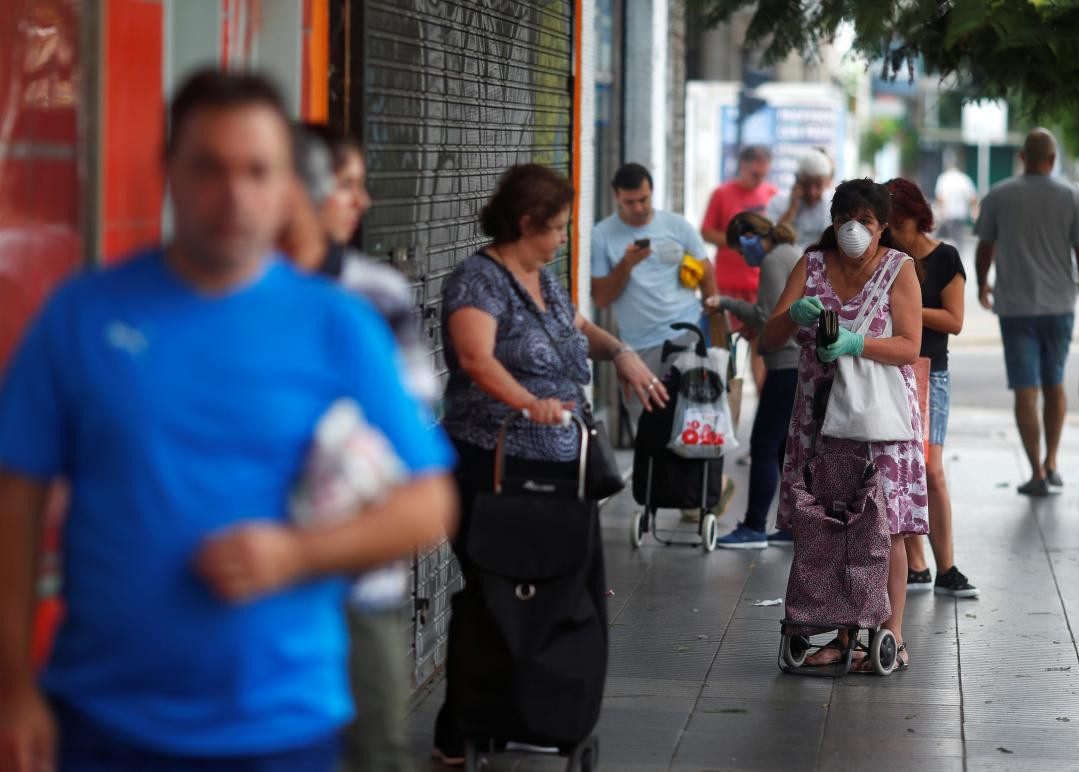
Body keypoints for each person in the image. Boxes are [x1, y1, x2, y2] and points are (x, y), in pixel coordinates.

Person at [0, 69, 457, 772]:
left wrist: (294, 555)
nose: (234, 195)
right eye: (210, 168)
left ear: (285, 188)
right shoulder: (82, 315)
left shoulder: (338, 323)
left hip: (282, 727)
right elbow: (16, 499)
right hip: (100, 720)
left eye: (257, 170)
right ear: (169, 173)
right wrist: (11, 688)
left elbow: (429, 502)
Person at [432, 163, 667, 766]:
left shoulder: (543, 277)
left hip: (563, 464)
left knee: (564, 591)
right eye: (557, 228)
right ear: (525, 222)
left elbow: (577, 327)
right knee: (494, 592)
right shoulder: (476, 282)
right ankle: (460, 729)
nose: (564, 238)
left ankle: (537, 711)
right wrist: (528, 403)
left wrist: (621, 354)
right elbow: (475, 358)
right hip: (495, 460)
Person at [287, 124, 432, 772]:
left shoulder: (377, 296)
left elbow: (414, 449)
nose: (359, 201)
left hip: (358, 576)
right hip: (244, 590)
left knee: (374, 748)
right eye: (344, 185)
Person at [761, 178, 927, 671]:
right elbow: (769, 337)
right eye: (846, 221)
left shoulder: (899, 269)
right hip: (820, 414)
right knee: (829, 522)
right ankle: (841, 634)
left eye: (867, 223)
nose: (855, 231)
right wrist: (793, 314)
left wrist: (857, 344)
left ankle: (891, 633)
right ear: (833, 222)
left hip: (879, 419)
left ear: (883, 228)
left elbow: (909, 345)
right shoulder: (811, 265)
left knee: (886, 524)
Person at [975, 128, 1079, 497]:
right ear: (1052, 160)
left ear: (1022, 157)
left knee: (1025, 391)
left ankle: (1034, 471)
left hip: (1015, 307)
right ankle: (1052, 462)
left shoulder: (999, 195)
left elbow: (986, 247)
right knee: (1054, 385)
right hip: (1060, 306)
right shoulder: (1071, 195)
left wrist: (983, 282)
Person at [886, 177, 979, 598]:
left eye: (899, 222)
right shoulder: (886, 256)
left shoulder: (946, 258)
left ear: (918, 217)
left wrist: (906, 306)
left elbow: (955, 321)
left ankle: (947, 567)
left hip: (930, 371)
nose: (893, 232)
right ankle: (918, 564)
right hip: (890, 369)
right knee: (896, 470)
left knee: (930, 470)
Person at [591, 162, 724, 424]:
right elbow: (601, 298)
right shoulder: (602, 235)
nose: (638, 208)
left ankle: (702, 467)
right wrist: (626, 265)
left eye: (644, 199)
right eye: (630, 202)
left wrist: (718, 337)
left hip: (686, 333)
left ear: (652, 192)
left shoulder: (678, 226)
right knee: (646, 427)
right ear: (616, 196)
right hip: (638, 345)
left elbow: (708, 278)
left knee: (693, 424)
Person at [705, 214, 800, 549]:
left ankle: (754, 526)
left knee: (763, 444)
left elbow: (767, 316)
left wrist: (727, 304)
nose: (742, 258)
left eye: (739, 249)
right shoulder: (789, 252)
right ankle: (791, 525)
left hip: (787, 365)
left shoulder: (775, 259)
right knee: (782, 450)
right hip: (797, 364)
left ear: (749, 237)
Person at [702, 145, 779, 389]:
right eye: (755, 174)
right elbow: (706, 231)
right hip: (726, 287)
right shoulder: (722, 194)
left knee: (762, 353)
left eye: (763, 175)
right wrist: (738, 241)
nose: (759, 180)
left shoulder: (772, 195)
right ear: (742, 167)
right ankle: (723, 415)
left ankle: (761, 413)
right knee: (723, 353)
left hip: (759, 287)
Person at [764, 147, 834, 249]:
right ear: (797, 180)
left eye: (818, 185)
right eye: (806, 184)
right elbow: (769, 242)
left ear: (827, 182)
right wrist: (791, 210)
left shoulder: (833, 206)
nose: (812, 192)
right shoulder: (778, 202)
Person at [933, 151, 978, 246]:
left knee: (945, 240)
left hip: (948, 214)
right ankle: (957, 256)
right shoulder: (964, 179)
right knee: (958, 239)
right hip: (961, 215)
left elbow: (940, 198)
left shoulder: (943, 178)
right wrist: (974, 211)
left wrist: (939, 213)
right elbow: (972, 197)